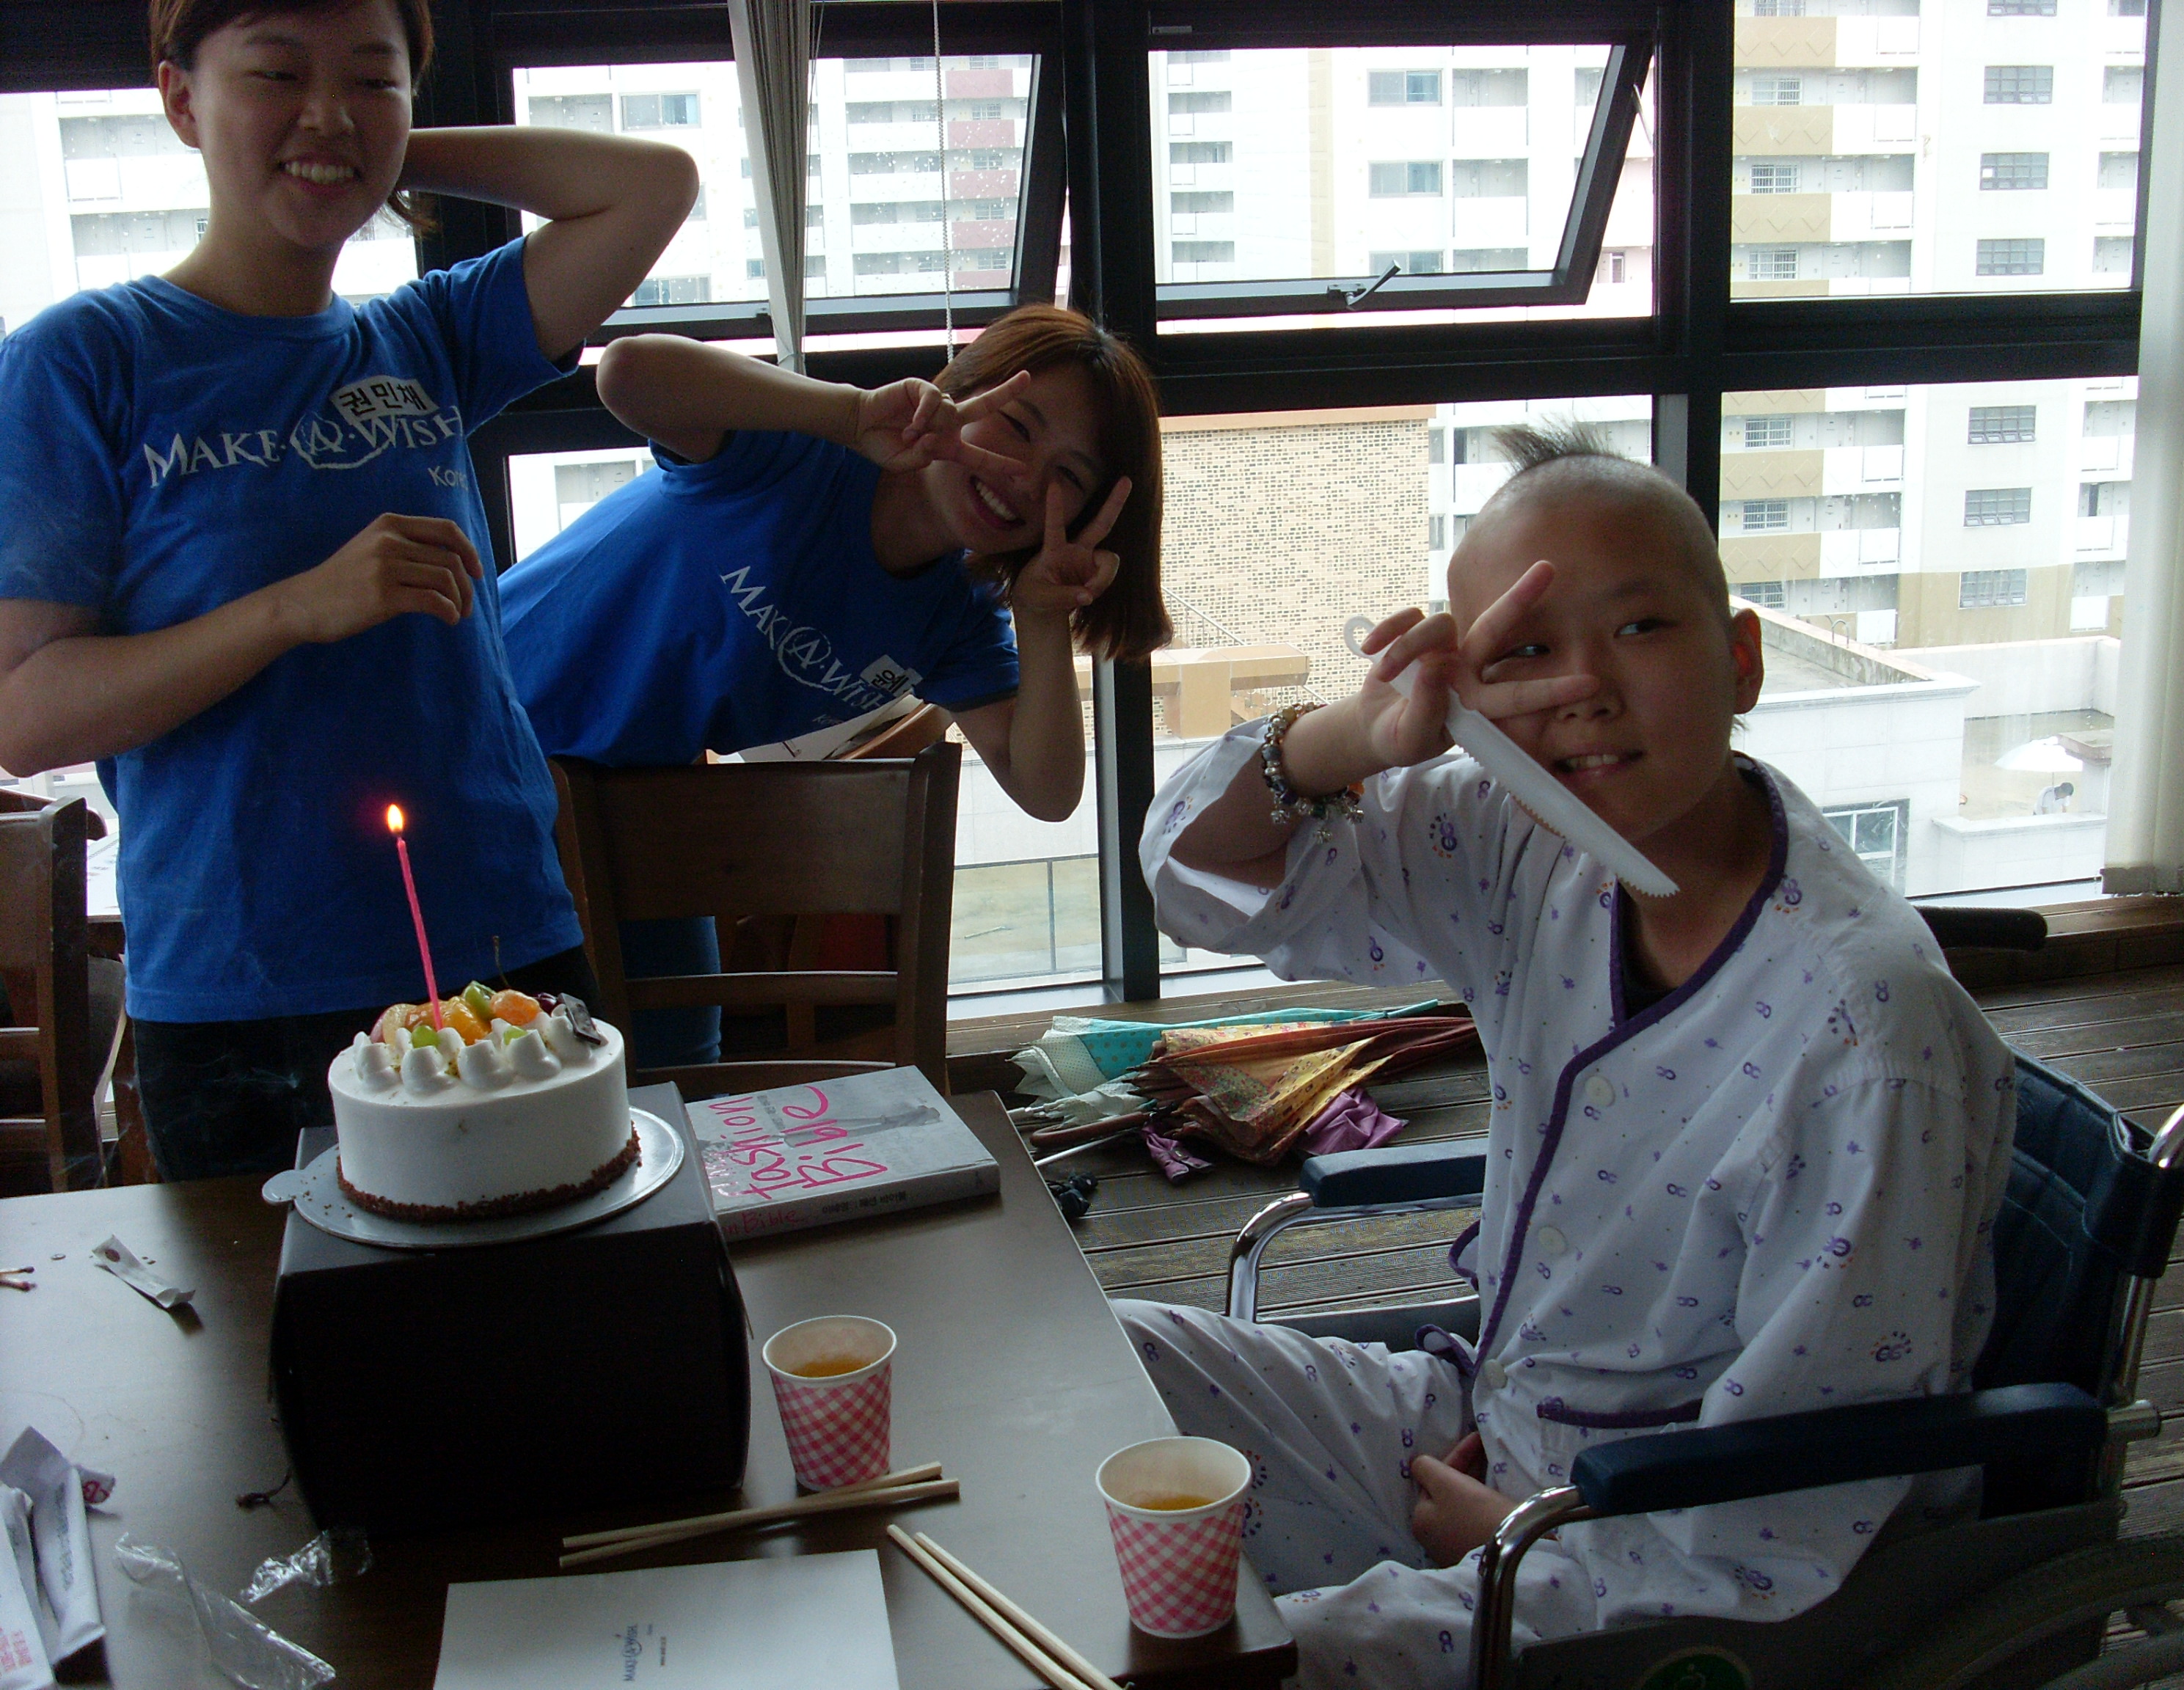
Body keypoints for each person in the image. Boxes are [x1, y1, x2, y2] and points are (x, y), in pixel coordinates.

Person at [1128, 425, 2015, 1689]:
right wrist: (1357, 735)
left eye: (1639, 626)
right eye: (1524, 652)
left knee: (1228, 1664)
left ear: (1742, 657)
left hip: (1667, 1553)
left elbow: (1800, 1502)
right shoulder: (1525, 837)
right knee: (1115, 1365)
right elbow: (1197, 878)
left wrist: (1518, 1533)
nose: (1582, 686)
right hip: (1493, 1416)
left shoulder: (1865, 1036)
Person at [0, 0, 700, 1180]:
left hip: (499, 950)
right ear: (179, 99)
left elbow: (651, 187)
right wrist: (291, 609)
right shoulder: (84, 359)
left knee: (564, 1287)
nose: (328, 109)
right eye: (275, 74)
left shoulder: (427, 338)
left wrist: (365, 149)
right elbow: (25, 715)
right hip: (246, 994)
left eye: (372, 78)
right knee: (287, 1306)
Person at [497, 305, 1168, 1066]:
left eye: (1068, 477)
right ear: (960, 390)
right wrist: (848, 413)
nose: (1024, 477)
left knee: (676, 1064)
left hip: (619, 809)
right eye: (1017, 426)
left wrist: (1042, 617)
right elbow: (626, 374)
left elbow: (1047, 791)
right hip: (478, 732)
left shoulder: (959, 617)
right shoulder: (805, 453)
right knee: (486, 1065)